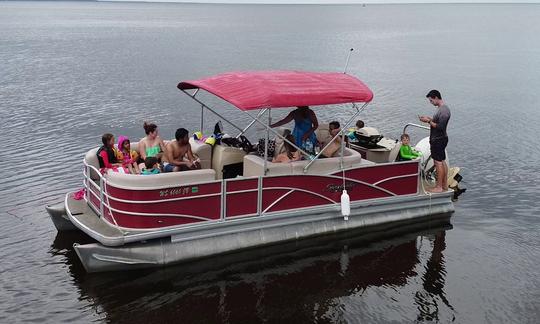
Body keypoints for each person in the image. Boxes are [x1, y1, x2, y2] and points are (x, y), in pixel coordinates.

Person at [419, 89, 451, 192]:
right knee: (442, 161)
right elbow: (437, 122)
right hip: (440, 139)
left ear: (436, 97)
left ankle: (439, 187)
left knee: (438, 163)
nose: (431, 103)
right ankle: (444, 185)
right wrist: (429, 119)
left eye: (431, 101)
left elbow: (440, 127)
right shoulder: (441, 109)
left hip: (438, 139)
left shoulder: (444, 111)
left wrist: (428, 121)